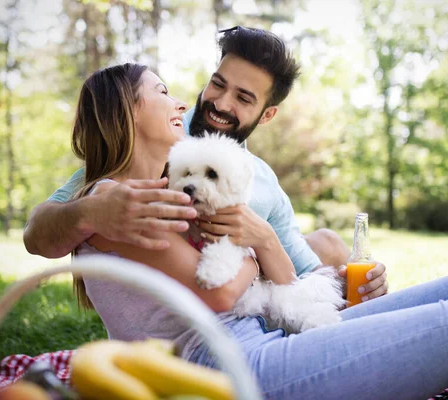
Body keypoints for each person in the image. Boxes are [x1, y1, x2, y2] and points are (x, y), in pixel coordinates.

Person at [70, 62, 448, 400]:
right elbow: (220, 293)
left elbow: (267, 276)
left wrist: (256, 243)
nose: (181, 101)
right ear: (127, 110)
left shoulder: (165, 191)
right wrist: (249, 247)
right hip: (231, 368)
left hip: (266, 331)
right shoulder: (112, 203)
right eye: (161, 92)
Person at [23, 27, 389, 304]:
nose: (220, 103)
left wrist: (358, 288)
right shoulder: (160, 138)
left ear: (267, 114)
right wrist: (88, 213)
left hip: (252, 303)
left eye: (244, 98)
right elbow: (38, 232)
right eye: (218, 84)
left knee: (331, 247)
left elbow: (302, 277)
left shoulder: (261, 179)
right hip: (192, 311)